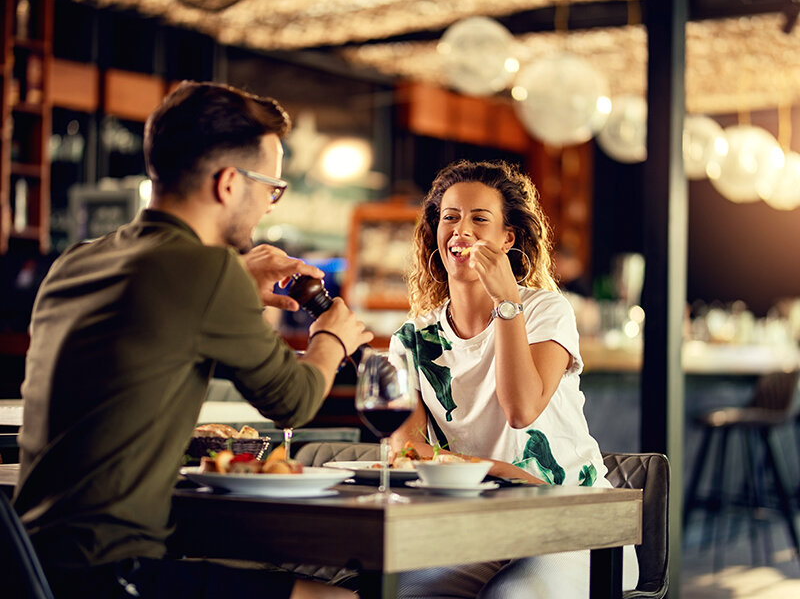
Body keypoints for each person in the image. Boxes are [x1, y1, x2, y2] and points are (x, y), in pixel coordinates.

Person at [14, 81, 372, 599]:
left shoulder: (79, 259)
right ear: (229, 183)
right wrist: (332, 339)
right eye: (271, 186)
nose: (271, 204)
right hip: (113, 574)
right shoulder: (207, 272)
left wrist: (238, 286)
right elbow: (292, 402)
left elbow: (156, 327)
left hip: (31, 562)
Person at [388, 160, 638, 598]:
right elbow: (407, 453)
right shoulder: (412, 338)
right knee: (395, 592)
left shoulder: (545, 311)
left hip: (577, 523)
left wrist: (507, 303)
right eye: (450, 217)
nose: (461, 231)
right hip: (481, 527)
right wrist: (504, 473)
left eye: (479, 219)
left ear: (508, 238)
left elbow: (520, 410)